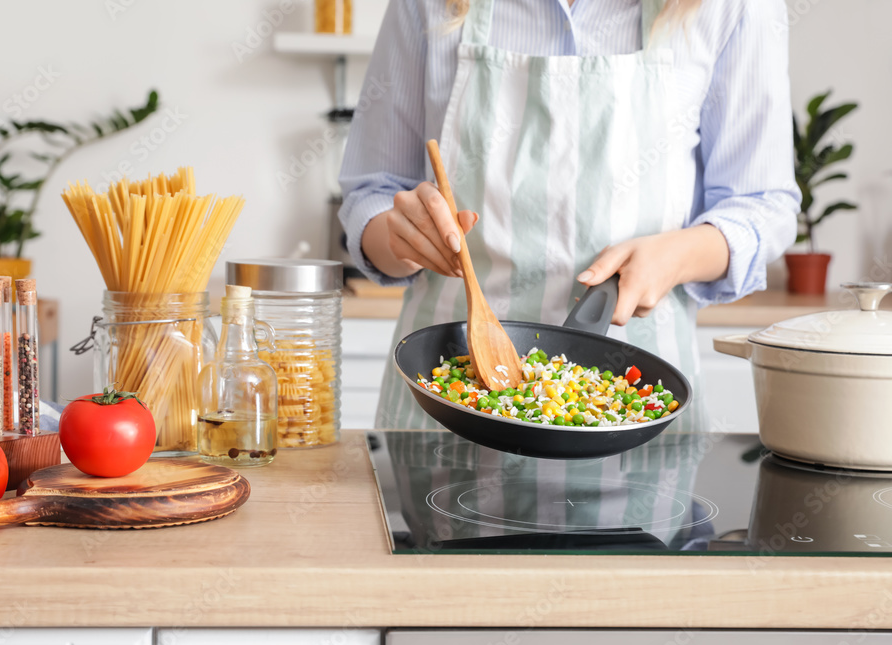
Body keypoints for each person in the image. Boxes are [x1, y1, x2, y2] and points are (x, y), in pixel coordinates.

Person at [339, 0, 799, 429]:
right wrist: (401, 239)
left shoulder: (734, 7)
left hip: (632, 404)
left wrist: (676, 256)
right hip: (446, 405)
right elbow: (373, 192)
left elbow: (764, 203)